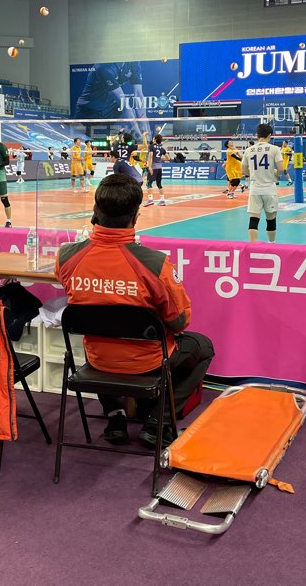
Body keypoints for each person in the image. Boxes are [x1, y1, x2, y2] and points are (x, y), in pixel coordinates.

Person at [55, 173, 214, 446]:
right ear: (136, 216)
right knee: (204, 347)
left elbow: (73, 286)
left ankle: (115, 416)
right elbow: (180, 321)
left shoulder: (66, 257)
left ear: (95, 212)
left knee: (102, 337)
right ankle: (158, 421)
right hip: (148, 362)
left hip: (98, 359)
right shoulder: (155, 264)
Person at [242, 122, 283, 242]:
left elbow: (243, 170)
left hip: (255, 189)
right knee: (271, 219)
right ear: (269, 135)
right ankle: (271, 244)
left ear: (257, 135)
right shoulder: (275, 149)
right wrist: (277, 174)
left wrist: (254, 174)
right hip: (269, 189)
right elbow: (281, 168)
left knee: (253, 219)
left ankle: (252, 246)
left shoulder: (248, 150)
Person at [73, 62, 145, 124]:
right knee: (127, 110)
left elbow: (138, 93)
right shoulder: (103, 67)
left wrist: (144, 124)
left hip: (108, 111)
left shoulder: (133, 62)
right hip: (88, 112)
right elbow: (124, 104)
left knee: (132, 113)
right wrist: (138, 133)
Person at [143, 133, 169, 206]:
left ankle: (150, 200)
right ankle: (162, 200)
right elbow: (168, 158)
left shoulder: (152, 146)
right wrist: (159, 159)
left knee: (149, 184)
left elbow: (150, 157)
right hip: (159, 168)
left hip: (153, 167)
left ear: (155, 139)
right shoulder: (162, 148)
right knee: (159, 184)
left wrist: (150, 167)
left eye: (154, 138)